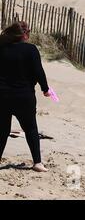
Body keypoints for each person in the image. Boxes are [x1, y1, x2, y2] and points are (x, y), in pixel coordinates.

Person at [0, 21, 50, 172]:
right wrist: (45, 89)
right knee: (30, 128)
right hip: (24, 96)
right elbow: (38, 71)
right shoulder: (31, 49)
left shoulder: (1, 48)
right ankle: (37, 163)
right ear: (24, 35)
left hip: (2, 95)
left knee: (2, 130)